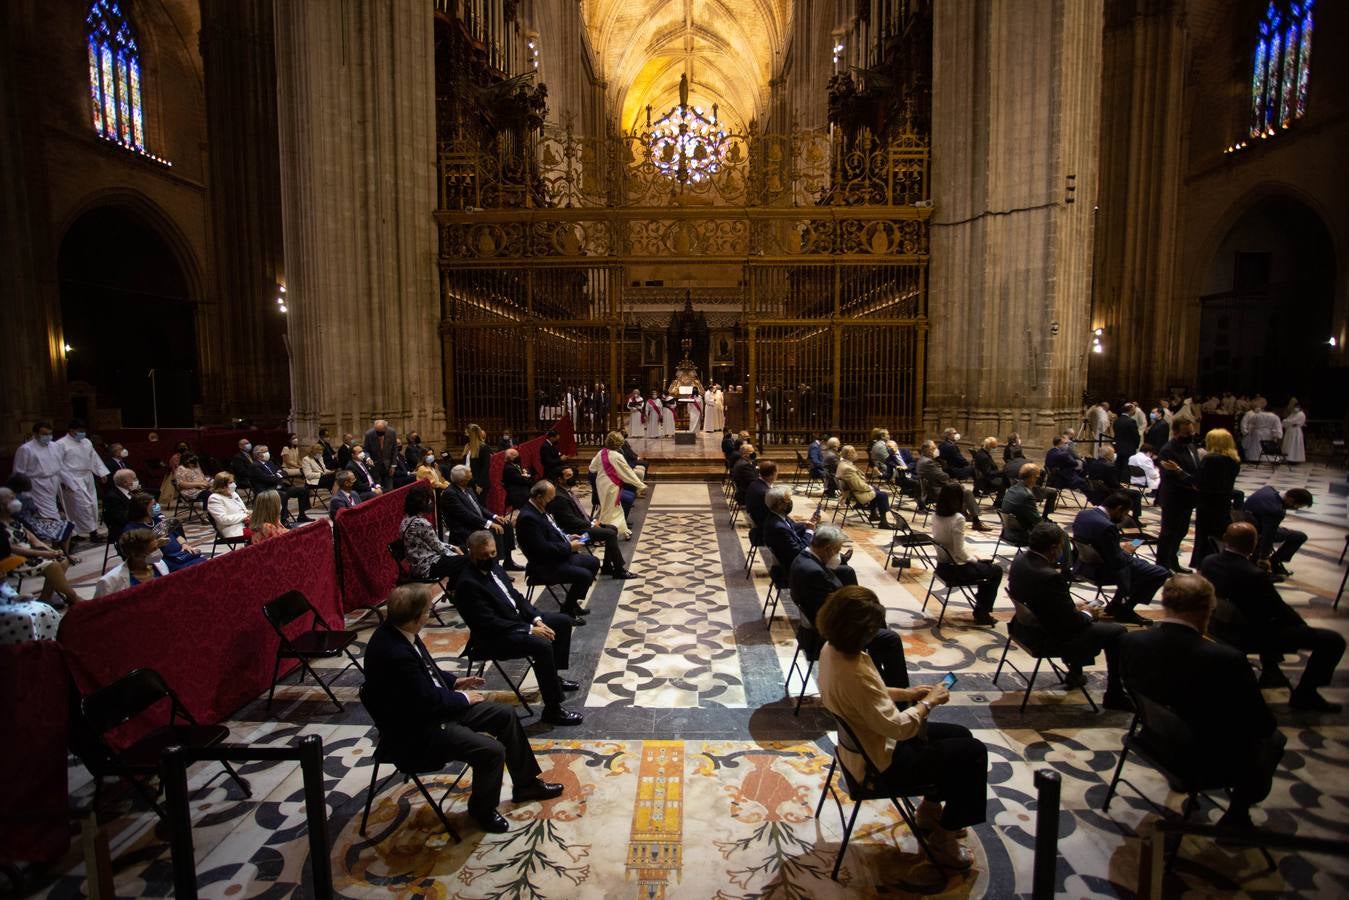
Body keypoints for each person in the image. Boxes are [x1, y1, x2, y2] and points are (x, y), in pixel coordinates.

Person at [359, 583, 565, 834]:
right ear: (414, 619)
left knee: (505, 714)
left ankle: (526, 784)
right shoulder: (393, 652)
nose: (429, 615)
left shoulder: (400, 631)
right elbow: (427, 702)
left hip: (434, 708)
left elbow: (425, 673)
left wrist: (454, 682)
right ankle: (482, 810)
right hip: (417, 730)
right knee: (492, 750)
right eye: (427, 612)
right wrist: (464, 698)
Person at [816, 585, 987, 869]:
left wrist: (907, 695)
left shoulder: (831, 649)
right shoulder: (854, 671)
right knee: (973, 752)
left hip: (865, 742)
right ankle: (944, 837)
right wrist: (928, 704)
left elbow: (871, 696)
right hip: (881, 762)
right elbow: (898, 728)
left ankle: (929, 810)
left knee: (959, 735)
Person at [1119, 574, 1285, 830]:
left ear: (1164, 603)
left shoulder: (1132, 641)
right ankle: (1238, 815)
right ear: (1208, 608)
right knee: (1274, 740)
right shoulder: (1226, 659)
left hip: (1150, 736)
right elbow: (1261, 723)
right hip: (1197, 756)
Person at [1200, 522, 1342, 712]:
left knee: (1263, 618)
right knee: (1332, 641)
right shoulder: (1253, 575)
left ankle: (1271, 670)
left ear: (1225, 539)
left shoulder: (1209, 561)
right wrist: (1300, 625)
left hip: (1217, 625)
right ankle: (1306, 694)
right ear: (1254, 544)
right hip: (1246, 634)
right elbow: (1277, 610)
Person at [455, 531, 583, 725]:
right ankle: (553, 708)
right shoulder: (467, 584)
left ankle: (553, 677)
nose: (490, 559)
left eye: (493, 553)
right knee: (541, 645)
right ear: (471, 554)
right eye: (484, 556)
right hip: (493, 637)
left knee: (563, 622)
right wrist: (529, 630)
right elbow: (489, 624)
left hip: (516, 621)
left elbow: (516, 597)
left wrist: (536, 619)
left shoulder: (495, 569)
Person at [1007, 523, 1132, 710]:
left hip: (1023, 626)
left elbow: (1051, 605)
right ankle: (1114, 693)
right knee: (1118, 631)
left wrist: (1074, 608)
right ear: (1053, 548)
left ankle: (1075, 673)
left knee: (1082, 616)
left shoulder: (1019, 560)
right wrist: (1087, 613)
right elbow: (1069, 623)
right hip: (1046, 636)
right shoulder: (1050, 576)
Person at [789, 529, 908, 687]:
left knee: (875, 614)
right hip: (824, 636)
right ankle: (898, 690)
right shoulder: (814, 573)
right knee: (891, 639)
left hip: (818, 624)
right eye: (837, 550)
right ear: (828, 549)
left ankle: (877, 672)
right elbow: (830, 614)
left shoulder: (803, 558)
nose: (837, 554)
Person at [1071, 492, 1169, 625]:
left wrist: (1119, 548)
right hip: (1102, 570)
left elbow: (1102, 546)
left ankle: (1117, 605)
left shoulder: (1084, 514)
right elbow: (1118, 561)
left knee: (1143, 565)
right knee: (1159, 572)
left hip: (1083, 565)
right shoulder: (1108, 527)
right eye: (1125, 513)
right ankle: (1124, 609)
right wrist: (1127, 551)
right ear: (1118, 509)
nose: (1124, 517)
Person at [516, 481, 601, 621]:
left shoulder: (539, 510)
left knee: (593, 562)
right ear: (538, 497)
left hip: (556, 557)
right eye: (550, 498)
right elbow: (541, 549)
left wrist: (568, 537)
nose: (552, 501)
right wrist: (569, 547)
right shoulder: (528, 518)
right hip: (544, 565)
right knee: (584, 575)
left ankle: (571, 603)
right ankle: (567, 610)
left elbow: (552, 532)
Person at [930, 483, 1003, 626]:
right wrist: (974, 560)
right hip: (955, 570)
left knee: (985, 567)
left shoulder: (935, 515)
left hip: (941, 566)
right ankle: (982, 611)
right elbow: (959, 552)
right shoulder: (958, 518)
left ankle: (981, 605)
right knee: (996, 571)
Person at [548, 468, 635, 579]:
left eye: (572, 474)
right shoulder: (559, 497)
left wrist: (593, 520)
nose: (572, 478)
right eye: (568, 476)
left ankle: (607, 567)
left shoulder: (566, 492)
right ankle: (619, 570)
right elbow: (569, 520)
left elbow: (580, 512)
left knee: (613, 528)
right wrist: (591, 525)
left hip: (582, 527)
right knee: (610, 534)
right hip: (577, 535)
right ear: (559, 479)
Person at [0, 487, 79, 605]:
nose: (15, 501)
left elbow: (33, 539)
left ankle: (45, 597)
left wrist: (50, 550)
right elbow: (12, 549)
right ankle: (74, 598)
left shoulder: (15, 519)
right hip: (13, 560)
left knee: (62, 560)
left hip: (30, 554)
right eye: (11, 499)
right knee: (52, 565)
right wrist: (43, 554)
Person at [439, 466, 524, 568]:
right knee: (494, 531)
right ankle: (494, 566)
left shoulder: (468, 489)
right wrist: (489, 524)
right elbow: (466, 515)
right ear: (462, 480)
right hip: (464, 527)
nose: (471, 474)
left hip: (476, 522)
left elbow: (479, 507)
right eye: (469, 473)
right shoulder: (450, 494)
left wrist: (495, 516)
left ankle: (508, 561)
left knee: (506, 524)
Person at [1190, 428, 1241, 569]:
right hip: (1223, 501)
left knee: (1204, 535)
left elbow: (1198, 482)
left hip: (1207, 502)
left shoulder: (1210, 459)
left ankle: (1203, 563)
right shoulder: (1234, 460)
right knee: (1218, 534)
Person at [1155, 416, 1200, 573]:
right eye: (1186, 433)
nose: (1190, 435)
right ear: (1175, 432)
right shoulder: (1168, 450)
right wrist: (1191, 481)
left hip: (1188, 498)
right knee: (1168, 533)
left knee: (1182, 531)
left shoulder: (1191, 447)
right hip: (1174, 497)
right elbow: (1171, 476)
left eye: (1191, 432)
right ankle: (1162, 565)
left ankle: (1173, 560)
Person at [54, 420, 109, 541]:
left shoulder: (86, 441)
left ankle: (89, 531)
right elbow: (58, 464)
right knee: (82, 505)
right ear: (71, 430)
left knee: (93, 504)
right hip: (71, 477)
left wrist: (101, 472)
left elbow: (93, 457)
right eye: (80, 431)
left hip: (87, 475)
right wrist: (65, 481)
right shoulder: (60, 444)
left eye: (84, 431)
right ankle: (87, 533)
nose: (82, 433)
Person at [399, 485, 466, 582]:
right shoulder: (421, 523)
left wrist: (453, 547)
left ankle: (453, 588)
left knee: (464, 550)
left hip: (419, 564)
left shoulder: (405, 519)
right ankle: (455, 590)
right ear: (421, 503)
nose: (431, 502)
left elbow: (435, 543)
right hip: (427, 567)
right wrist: (458, 555)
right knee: (467, 560)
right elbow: (440, 549)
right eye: (428, 500)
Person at [122, 491, 206, 569]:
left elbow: (176, 535)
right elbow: (137, 555)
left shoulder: (157, 519)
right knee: (197, 565)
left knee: (202, 561)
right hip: (160, 561)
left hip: (179, 554)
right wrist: (157, 544)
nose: (157, 507)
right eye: (153, 505)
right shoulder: (132, 529)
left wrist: (184, 544)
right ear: (143, 509)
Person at [588, 432, 647, 539]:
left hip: (601, 484)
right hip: (611, 484)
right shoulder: (617, 456)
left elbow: (592, 468)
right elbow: (627, 472)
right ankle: (604, 532)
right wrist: (640, 484)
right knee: (609, 509)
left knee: (614, 507)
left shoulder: (601, 452)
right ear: (619, 443)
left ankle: (624, 531)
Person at [1242, 486, 1312, 576]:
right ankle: (1274, 563)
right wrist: (1264, 557)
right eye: (1296, 506)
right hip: (1256, 531)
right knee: (1299, 536)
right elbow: (1268, 536)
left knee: (1281, 531)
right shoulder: (1276, 511)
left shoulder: (1268, 489)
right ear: (1290, 499)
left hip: (1244, 521)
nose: (1296, 509)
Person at [917, 441, 986, 529]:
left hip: (934, 487)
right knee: (967, 492)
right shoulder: (928, 462)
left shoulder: (923, 460)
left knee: (960, 488)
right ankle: (976, 521)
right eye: (933, 448)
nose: (936, 450)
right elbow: (943, 476)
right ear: (927, 450)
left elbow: (940, 477)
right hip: (936, 491)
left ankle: (964, 513)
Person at [6, 473, 76, 559]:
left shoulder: (9, 497)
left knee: (55, 522)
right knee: (67, 526)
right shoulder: (24, 498)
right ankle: (66, 555)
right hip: (31, 525)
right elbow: (34, 512)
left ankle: (61, 553)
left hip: (26, 523)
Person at [94, 528, 170, 597]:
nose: (157, 551)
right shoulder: (109, 582)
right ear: (135, 554)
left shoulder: (160, 565)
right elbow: (100, 608)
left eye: (157, 547)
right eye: (153, 549)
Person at [12, 422, 63, 522]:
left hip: (52, 483)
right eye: (44, 434)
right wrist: (22, 491)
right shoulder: (26, 449)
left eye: (50, 434)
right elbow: (19, 472)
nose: (48, 437)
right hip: (36, 485)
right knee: (43, 513)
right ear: (35, 434)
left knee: (53, 509)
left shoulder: (55, 446)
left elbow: (60, 466)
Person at [762, 486, 821, 570]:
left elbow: (791, 527)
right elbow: (800, 551)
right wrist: (809, 530)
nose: (790, 503)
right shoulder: (778, 528)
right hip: (795, 566)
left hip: (794, 556)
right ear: (779, 505)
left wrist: (808, 523)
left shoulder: (776, 516)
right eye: (788, 500)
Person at [250, 445, 313, 520]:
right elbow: (267, 479)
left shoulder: (269, 463)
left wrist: (276, 475)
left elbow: (284, 472)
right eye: (265, 451)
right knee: (283, 495)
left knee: (303, 490)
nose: (267, 453)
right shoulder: (255, 466)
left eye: (267, 451)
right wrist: (277, 475)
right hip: (267, 490)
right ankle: (283, 519)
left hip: (279, 487)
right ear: (258, 454)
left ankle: (302, 515)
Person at [207, 472, 251, 538]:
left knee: (268, 525)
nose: (233, 484)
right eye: (230, 483)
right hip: (233, 529)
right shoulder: (214, 498)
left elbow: (243, 510)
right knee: (264, 532)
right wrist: (245, 516)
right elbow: (223, 519)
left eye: (233, 482)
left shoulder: (233, 493)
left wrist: (251, 513)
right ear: (222, 485)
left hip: (246, 524)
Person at [743, 459, 777, 544]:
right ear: (772, 475)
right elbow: (775, 516)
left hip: (758, 523)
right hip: (766, 530)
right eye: (776, 473)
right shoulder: (765, 493)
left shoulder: (754, 484)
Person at [102, 469, 139, 541]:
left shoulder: (132, 492)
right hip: (122, 529)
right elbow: (121, 519)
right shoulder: (112, 497)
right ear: (125, 483)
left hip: (133, 524)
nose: (136, 480)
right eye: (134, 479)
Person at [362, 419, 399, 489]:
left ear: (386, 428)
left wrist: (393, 465)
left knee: (389, 489)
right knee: (378, 490)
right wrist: (368, 458)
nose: (379, 435)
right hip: (375, 466)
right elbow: (365, 450)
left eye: (381, 432)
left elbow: (394, 449)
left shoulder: (392, 432)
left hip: (388, 466)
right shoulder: (369, 434)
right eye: (377, 432)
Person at [971, 437, 1008, 504]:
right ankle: (998, 503)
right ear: (989, 447)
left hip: (980, 480)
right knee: (1004, 482)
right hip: (985, 482)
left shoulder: (980, 452)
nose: (995, 449)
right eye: (994, 447)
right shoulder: (984, 457)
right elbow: (988, 473)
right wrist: (1002, 471)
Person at [463, 424, 493, 496]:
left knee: (480, 505)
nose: (466, 436)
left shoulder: (484, 447)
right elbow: (467, 464)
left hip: (479, 483)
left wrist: (480, 485)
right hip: (469, 481)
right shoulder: (468, 447)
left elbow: (485, 467)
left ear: (472, 435)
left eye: (467, 434)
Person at [1113, 404, 1141, 478]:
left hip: (1118, 446)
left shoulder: (1117, 421)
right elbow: (1135, 435)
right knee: (1126, 466)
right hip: (1129, 447)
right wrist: (1136, 445)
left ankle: (1117, 480)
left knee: (1118, 464)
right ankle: (1124, 482)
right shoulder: (1131, 421)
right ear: (1130, 411)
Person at [1281, 399, 1306, 464]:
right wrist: (1286, 421)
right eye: (1295, 407)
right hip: (1290, 430)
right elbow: (1287, 420)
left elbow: (1292, 421)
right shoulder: (1293, 413)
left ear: (1300, 407)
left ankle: (1295, 459)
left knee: (1294, 445)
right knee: (1288, 444)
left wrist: (1285, 421)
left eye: (1297, 407)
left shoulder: (1301, 414)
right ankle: (1287, 458)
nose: (1296, 408)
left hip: (1296, 431)